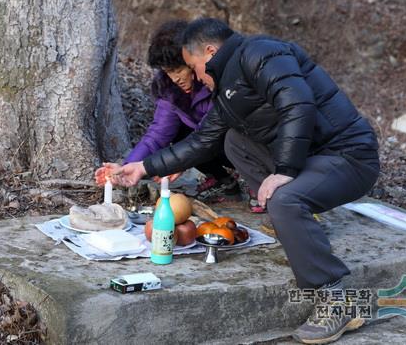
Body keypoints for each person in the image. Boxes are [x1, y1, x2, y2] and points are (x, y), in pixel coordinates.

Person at [106, 18, 380, 344]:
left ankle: (336, 298)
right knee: (234, 141)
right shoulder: (225, 88)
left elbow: (298, 104)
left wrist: (286, 171)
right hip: (316, 156)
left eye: (194, 67)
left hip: (348, 155)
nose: (193, 77)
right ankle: (292, 222)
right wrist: (143, 167)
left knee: (286, 199)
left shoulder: (261, 53)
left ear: (210, 51)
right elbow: (202, 141)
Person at [114, 19, 238, 195]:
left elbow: (213, 130)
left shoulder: (216, 79)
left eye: (179, 70)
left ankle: (258, 179)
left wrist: (181, 161)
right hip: (201, 144)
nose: (175, 79)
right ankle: (222, 179)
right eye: (168, 72)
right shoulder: (168, 89)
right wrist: (129, 167)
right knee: (178, 133)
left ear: (192, 60)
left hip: (233, 144)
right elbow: (157, 135)